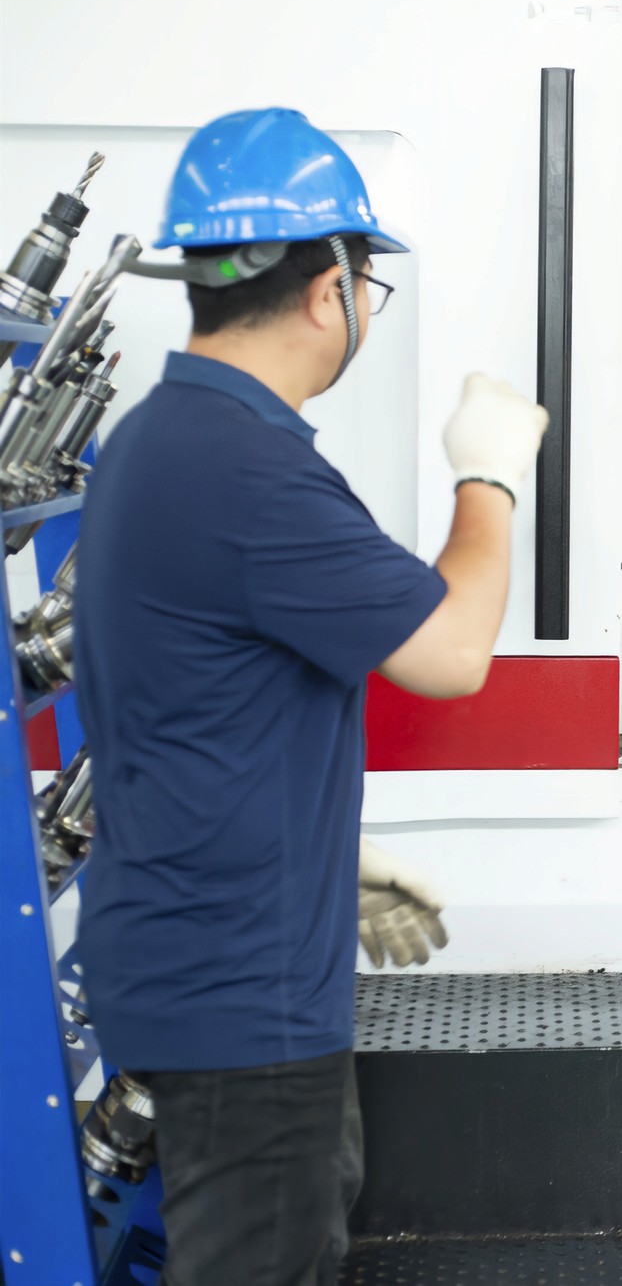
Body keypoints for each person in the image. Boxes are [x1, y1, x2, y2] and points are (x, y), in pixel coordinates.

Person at [71, 107, 550, 1286]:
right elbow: (450, 651)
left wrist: (332, 853)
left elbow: (194, 712)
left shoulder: (160, 439)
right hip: (239, 1008)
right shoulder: (246, 464)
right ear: (330, 287)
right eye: (367, 284)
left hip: (202, 965)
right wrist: (487, 476)